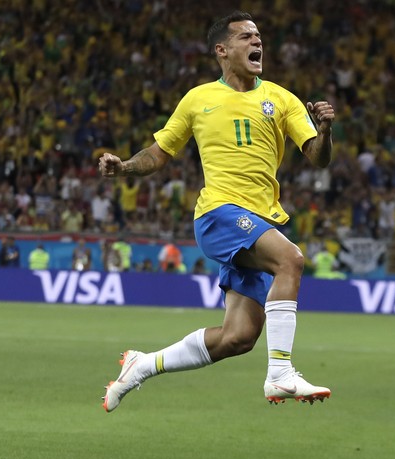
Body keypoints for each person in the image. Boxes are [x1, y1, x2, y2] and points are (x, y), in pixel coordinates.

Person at [98, 11, 335, 412]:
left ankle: (141, 364)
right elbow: (159, 153)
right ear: (222, 50)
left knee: (237, 338)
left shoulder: (282, 98)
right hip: (219, 213)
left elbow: (317, 158)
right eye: (246, 36)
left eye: (258, 36)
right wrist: (124, 166)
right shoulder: (198, 99)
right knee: (291, 260)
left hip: (259, 221)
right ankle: (280, 373)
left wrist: (325, 131)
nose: (257, 42)